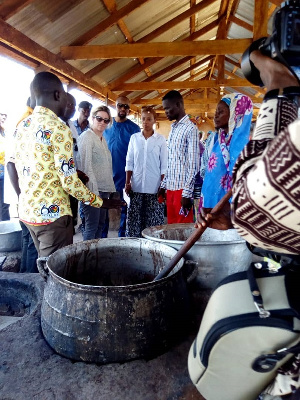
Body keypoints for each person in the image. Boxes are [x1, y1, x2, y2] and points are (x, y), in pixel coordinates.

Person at [196, 52, 300, 400]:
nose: (216, 116)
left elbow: (268, 200)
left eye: (223, 111)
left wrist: (280, 91)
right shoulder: (214, 138)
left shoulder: (244, 135)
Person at [7, 71, 122, 257]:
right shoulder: (59, 128)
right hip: (53, 218)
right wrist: (101, 202)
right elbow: (69, 183)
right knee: (56, 274)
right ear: (57, 95)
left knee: (44, 266)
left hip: (29, 214)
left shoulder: (23, 126)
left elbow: (39, 167)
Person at [197, 92, 253, 227]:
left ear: (235, 114)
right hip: (209, 206)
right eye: (216, 111)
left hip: (227, 216)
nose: (215, 115)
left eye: (221, 112)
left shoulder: (244, 147)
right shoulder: (218, 142)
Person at [125, 107, 167, 237]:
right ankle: (134, 249)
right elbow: (129, 161)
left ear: (154, 120)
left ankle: (152, 250)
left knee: (153, 225)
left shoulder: (160, 139)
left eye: (149, 119)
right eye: (143, 119)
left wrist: (162, 185)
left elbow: (164, 165)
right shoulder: (134, 138)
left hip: (154, 188)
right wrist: (128, 182)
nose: (145, 122)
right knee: (134, 222)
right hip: (136, 187)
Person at [158, 90, 200, 224]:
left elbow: (194, 164)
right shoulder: (173, 129)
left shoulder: (190, 129)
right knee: (171, 228)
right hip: (170, 189)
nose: (165, 112)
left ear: (178, 105)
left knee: (183, 231)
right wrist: (163, 185)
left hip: (182, 191)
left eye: (167, 108)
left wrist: (187, 193)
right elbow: (171, 161)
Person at [103, 96, 140, 237]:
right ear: (115, 106)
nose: (123, 109)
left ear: (129, 109)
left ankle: (122, 238)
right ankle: (102, 239)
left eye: (126, 106)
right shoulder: (106, 125)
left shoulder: (134, 129)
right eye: (120, 106)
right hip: (106, 175)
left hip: (125, 177)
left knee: (125, 209)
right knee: (104, 209)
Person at [78, 106, 116, 240]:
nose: (102, 122)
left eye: (106, 120)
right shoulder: (87, 137)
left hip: (103, 190)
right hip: (92, 191)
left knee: (100, 224)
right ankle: (87, 258)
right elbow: (85, 166)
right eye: (99, 119)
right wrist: (93, 193)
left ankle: (96, 257)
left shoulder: (102, 139)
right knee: (91, 226)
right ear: (92, 118)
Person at [61, 93, 89, 232]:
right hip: (60, 184)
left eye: (72, 104)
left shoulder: (70, 125)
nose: (70, 108)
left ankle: (72, 229)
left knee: (72, 215)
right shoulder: (56, 126)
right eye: (68, 104)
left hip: (74, 176)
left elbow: (77, 151)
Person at [0, 110, 10, 221]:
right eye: (1, 114)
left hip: (4, 174)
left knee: (4, 205)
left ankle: (5, 233)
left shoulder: (4, 132)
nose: (3, 117)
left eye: (5, 115)